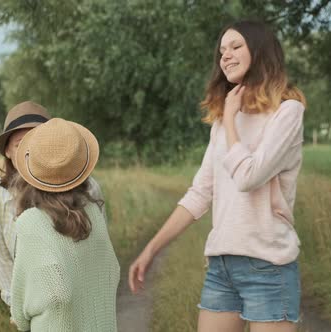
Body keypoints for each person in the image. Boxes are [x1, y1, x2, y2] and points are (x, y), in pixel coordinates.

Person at [129, 20, 307, 332]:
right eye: (222, 50)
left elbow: (249, 176)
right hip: (222, 268)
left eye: (236, 46)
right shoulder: (223, 123)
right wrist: (151, 250)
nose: (225, 56)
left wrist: (229, 119)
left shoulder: (287, 112)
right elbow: (200, 193)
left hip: (268, 266)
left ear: (261, 52)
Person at [0, 101, 107, 307]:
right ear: (7, 151)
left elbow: (100, 252)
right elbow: (2, 262)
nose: (31, 153)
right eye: (21, 144)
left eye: (38, 143)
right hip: (34, 311)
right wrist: (21, 312)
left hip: (86, 302)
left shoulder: (88, 189)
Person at [9, 118, 119, 331]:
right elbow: (110, 273)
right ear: (81, 166)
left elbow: (22, 309)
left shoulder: (30, 222)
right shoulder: (93, 213)